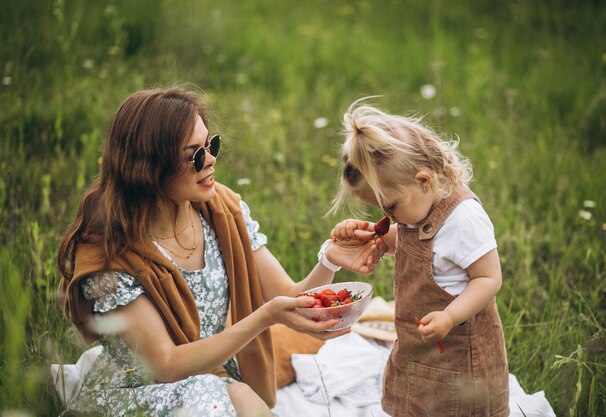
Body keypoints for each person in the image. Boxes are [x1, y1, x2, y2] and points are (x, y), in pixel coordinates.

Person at [56, 87, 379, 416]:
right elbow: (166, 365)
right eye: (194, 154)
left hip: (210, 379)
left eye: (211, 145)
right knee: (219, 392)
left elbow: (291, 296)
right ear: (150, 167)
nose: (210, 159)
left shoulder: (221, 211)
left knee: (225, 391)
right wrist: (263, 318)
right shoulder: (109, 253)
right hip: (137, 395)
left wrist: (330, 258)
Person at [329, 99, 509, 416]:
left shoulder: (464, 218)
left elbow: (488, 277)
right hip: (419, 350)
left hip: (460, 360)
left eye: (391, 207)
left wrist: (450, 316)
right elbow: (418, 243)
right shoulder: (418, 210)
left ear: (423, 181)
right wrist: (375, 238)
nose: (388, 216)